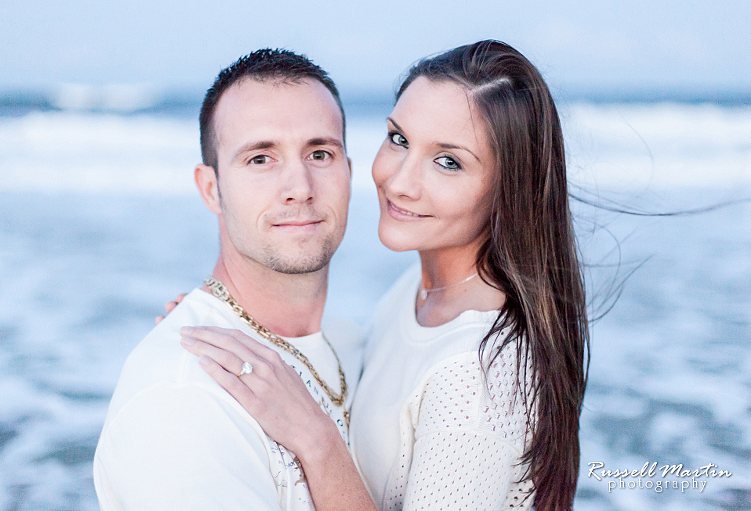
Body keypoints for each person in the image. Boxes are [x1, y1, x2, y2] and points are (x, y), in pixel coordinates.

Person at [178, 40, 589, 510]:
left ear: (508, 189)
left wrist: (315, 437)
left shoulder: (476, 376)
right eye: (399, 139)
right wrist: (227, 316)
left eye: (448, 162)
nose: (399, 181)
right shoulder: (420, 292)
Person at [93, 48, 370, 510]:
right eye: (261, 159)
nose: (299, 187)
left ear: (348, 171)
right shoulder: (180, 403)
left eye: (320, 153)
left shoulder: (359, 344)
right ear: (211, 189)